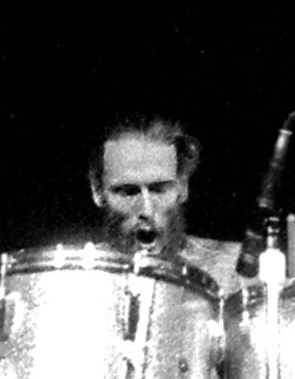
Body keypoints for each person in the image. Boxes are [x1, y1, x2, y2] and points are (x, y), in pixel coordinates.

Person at [89, 115, 244, 295]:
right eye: (128, 192)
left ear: (182, 187)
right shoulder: (77, 281)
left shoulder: (235, 272)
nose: (147, 210)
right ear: (97, 190)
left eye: (159, 190)